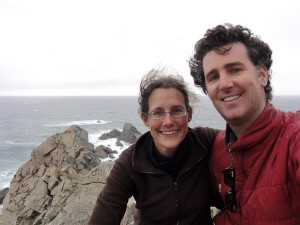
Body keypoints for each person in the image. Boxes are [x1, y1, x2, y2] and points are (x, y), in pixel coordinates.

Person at [189, 23, 300, 225]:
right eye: (213, 77)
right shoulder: (218, 149)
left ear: (262, 75)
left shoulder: (293, 137)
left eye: (235, 70)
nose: (224, 84)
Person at [87, 68, 219, 225]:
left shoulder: (205, 142)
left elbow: (244, 138)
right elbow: (105, 215)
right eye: (158, 113)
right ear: (145, 118)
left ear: (189, 114)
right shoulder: (131, 162)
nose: (168, 121)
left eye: (177, 110)